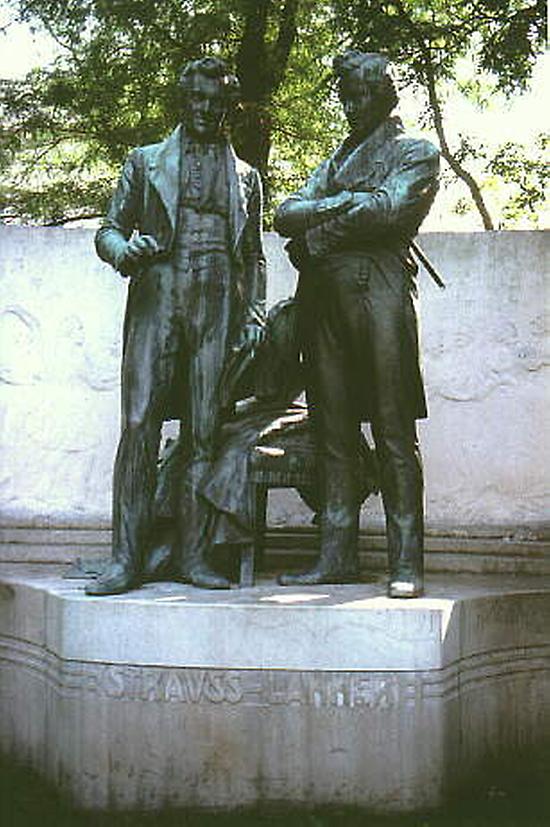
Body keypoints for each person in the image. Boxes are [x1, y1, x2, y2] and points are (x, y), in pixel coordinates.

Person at [86, 57, 266, 595]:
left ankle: (193, 555)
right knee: (140, 425)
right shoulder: (144, 162)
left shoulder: (246, 177)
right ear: (184, 102)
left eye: (216, 103)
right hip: (159, 296)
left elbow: (253, 257)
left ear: (228, 108)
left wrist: (253, 313)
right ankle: (125, 559)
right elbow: (108, 230)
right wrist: (126, 250)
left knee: (204, 432)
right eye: (198, 100)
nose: (207, 110)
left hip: (217, 305)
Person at [273, 51, 439, 598]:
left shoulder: (415, 152)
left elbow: (390, 210)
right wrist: (347, 201)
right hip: (324, 304)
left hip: (380, 295)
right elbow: (284, 213)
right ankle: (336, 555)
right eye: (344, 96)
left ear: (386, 93)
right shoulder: (336, 159)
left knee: (393, 432)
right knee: (333, 434)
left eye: (360, 94)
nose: (351, 105)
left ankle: (406, 562)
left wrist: (320, 232)